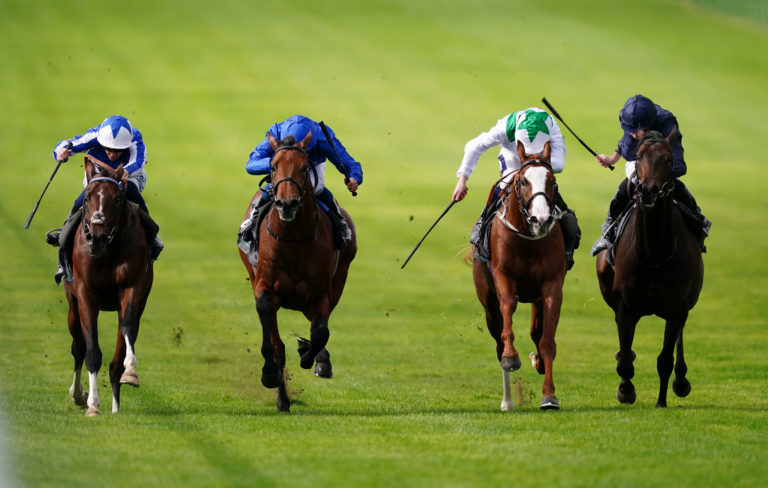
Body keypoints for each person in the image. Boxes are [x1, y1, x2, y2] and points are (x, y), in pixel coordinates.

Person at [452, 107, 581, 269]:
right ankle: (482, 232)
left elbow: (559, 164)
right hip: (513, 164)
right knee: (502, 192)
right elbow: (474, 146)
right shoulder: (507, 127)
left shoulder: (551, 126)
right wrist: (462, 179)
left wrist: (534, 168)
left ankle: (567, 252)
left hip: (540, 170)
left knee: (564, 212)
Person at [47, 115, 162, 283]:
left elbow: (139, 159)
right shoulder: (96, 134)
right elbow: (70, 144)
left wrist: (125, 172)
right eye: (108, 149)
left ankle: (151, 235)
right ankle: (63, 241)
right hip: (99, 177)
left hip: (128, 176)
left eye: (117, 150)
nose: (112, 154)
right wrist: (61, 152)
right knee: (79, 203)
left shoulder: (135, 137)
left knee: (134, 196)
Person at [591, 94, 710, 255]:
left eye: (637, 132)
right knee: (631, 182)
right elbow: (625, 142)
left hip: (663, 164)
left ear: (650, 124)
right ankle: (608, 229)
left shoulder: (667, 123)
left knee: (677, 187)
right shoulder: (633, 123)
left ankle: (699, 224)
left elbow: (679, 164)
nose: (633, 135)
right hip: (640, 160)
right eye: (630, 131)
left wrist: (658, 175)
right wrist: (612, 159)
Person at [239, 115, 362, 254]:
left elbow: (346, 160)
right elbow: (251, 165)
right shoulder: (276, 132)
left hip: (311, 165)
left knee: (317, 187)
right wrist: (277, 164)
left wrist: (354, 177)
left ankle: (339, 220)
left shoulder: (321, 134)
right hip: (282, 165)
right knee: (276, 187)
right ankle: (252, 219)